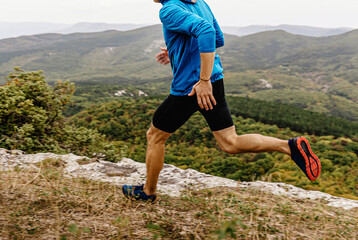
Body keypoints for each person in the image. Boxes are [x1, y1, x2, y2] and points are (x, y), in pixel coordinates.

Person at [122, 0, 321, 202]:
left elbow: (206, 31)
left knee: (155, 137)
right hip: (215, 82)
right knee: (230, 142)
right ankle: (289, 146)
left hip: (192, 88)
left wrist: (203, 80)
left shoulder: (169, 9)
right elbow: (218, 38)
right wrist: (178, 50)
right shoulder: (200, 3)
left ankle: (148, 192)